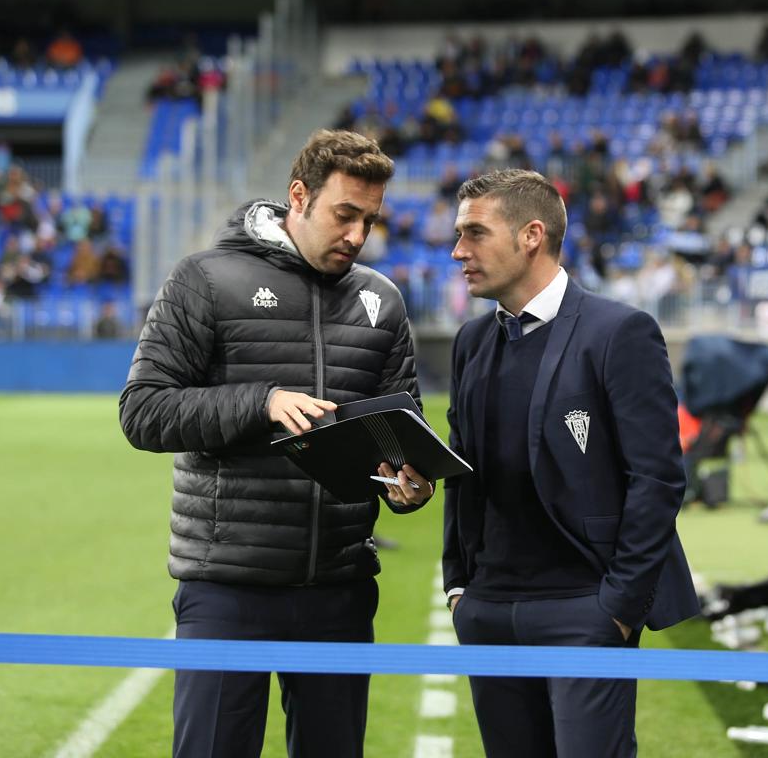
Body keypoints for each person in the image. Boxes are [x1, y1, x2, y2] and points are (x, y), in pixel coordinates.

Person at [119, 129, 431, 758]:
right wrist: (261, 402)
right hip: (227, 585)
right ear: (299, 196)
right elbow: (143, 410)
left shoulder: (382, 301)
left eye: (369, 220)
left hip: (340, 589)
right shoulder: (204, 279)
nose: (357, 236)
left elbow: (403, 428)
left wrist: (408, 484)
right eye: (345, 214)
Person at [442, 168, 699, 757]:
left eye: (475, 233)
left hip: (583, 606)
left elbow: (657, 479)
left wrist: (615, 608)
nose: (459, 251)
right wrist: (459, 584)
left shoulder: (620, 332)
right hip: (488, 608)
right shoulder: (472, 342)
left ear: (531, 235)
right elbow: (465, 474)